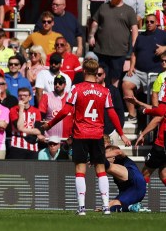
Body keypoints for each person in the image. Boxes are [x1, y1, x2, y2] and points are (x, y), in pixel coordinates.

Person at [43, 59, 131, 216]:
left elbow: (65, 111)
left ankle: (82, 208)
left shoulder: (77, 88)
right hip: (97, 134)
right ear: (97, 72)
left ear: (84, 70)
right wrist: (122, 134)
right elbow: (112, 113)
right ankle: (105, 207)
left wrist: (49, 125)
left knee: (80, 170)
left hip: (80, 134)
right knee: (101, 170)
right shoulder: (104, 91)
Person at [89, 0, 138, 87]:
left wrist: (134, 45)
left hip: (119, 52)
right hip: (101, 50)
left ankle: (113, 98)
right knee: (100, 75)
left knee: (115, 78)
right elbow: (95, 22)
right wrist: (91, 36)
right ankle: (101, 97)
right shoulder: (104, 7)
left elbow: (134, 29)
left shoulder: (128, 10)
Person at [122, 13, 166, 124]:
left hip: (157, 74)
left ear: (156, 23)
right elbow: (134, 54)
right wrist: (131, 67)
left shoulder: (163, 34)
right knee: (126, 84)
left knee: (155, 98)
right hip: (139, 72)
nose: (149, 24)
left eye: (152, 22)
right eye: (147, 22)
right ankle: (132, 115)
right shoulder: (140, 37)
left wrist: (164, 48)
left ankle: (154, 120)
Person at [103, 145, 147, 212]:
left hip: (137, 184)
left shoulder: (123, 159)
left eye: (108, 154)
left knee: (109, 166)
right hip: (130, 192)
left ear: (113, 156)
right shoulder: (114, 169)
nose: (106, 157)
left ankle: (132, 207)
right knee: (107, 207)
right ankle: (132, 207)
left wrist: (98, 157)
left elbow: (118, 152)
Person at [7, 87, 44, 159]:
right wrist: (21, 110)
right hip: (17, 145)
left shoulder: (36, 111)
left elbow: (38, 130)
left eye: (25, 95)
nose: (22, 97)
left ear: (30, 97)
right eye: (20, 95)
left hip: (32, 146)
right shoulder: (13, 109)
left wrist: (23, 129)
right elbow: (18, 127)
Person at [38, 74, 71, 139]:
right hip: (50, 139)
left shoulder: (70, 97)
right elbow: (40, 116)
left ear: (65, 85)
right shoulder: (46, 96)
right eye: (55, 83)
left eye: (60, 83)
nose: (57, 85)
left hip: (67, 139)